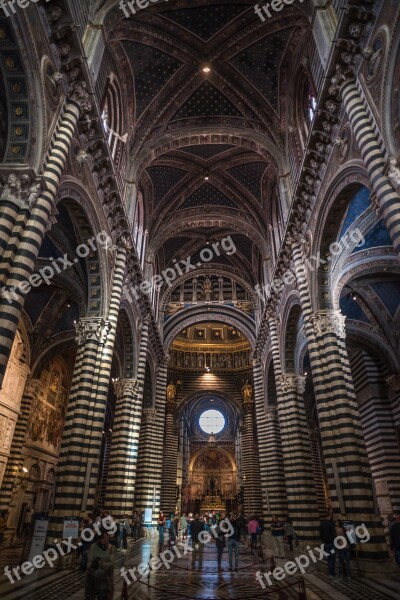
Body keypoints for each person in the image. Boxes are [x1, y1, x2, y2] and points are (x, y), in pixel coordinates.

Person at [85, 528, 116, 600]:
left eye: (105, 536)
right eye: (102, 538)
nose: (103, 539)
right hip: (93, 579)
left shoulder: (112, 548)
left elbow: (111, 563)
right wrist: (91, 566)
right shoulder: (93, 547)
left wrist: (101, 564)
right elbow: (89, 562)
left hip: (106, 579)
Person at [320, 513, 336, 578]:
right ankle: (332, 573)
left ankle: (330, 573)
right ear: (330, 516)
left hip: (326, 544)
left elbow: (321, 534)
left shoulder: (322, 524)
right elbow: (334, 533)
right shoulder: (330, 523)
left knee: (329, 558)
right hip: (331, 544)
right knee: (332, 558)